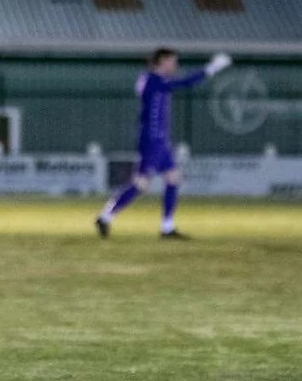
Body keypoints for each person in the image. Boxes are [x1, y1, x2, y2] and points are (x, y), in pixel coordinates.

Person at [95, 48, 232, 239]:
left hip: (160, 140)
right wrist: (213, 67)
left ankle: (167, 227)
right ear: (164, 61)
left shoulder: (154, 80)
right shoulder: (153, 80)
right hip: (151, 140)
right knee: (140, 184)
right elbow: (186, 82)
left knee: (173, 178)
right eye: (173, 61)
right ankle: (105, 216)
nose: (175, 65)